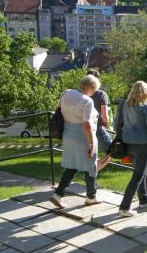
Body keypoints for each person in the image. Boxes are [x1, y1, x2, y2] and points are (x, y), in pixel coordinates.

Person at [50, 75, 102, 209]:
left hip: (68, 135)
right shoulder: (87, 101)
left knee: (73, 166)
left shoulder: (66, 92)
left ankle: (58, 194)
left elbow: (61, 110)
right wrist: (91, 144)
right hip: (83, 137)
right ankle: (91, 197)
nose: (94, 92)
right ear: (90, 87)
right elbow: (87, 125)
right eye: (94, 89)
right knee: (91, 166)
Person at [117, 81, 147, 217]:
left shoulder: (124, 105)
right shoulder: (146, 108)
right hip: (142, 146)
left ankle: (144, 199)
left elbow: (117, 124)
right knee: (137, 175)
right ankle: (124, 207)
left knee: (140, 172)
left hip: (127, 144)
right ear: (145, 93)